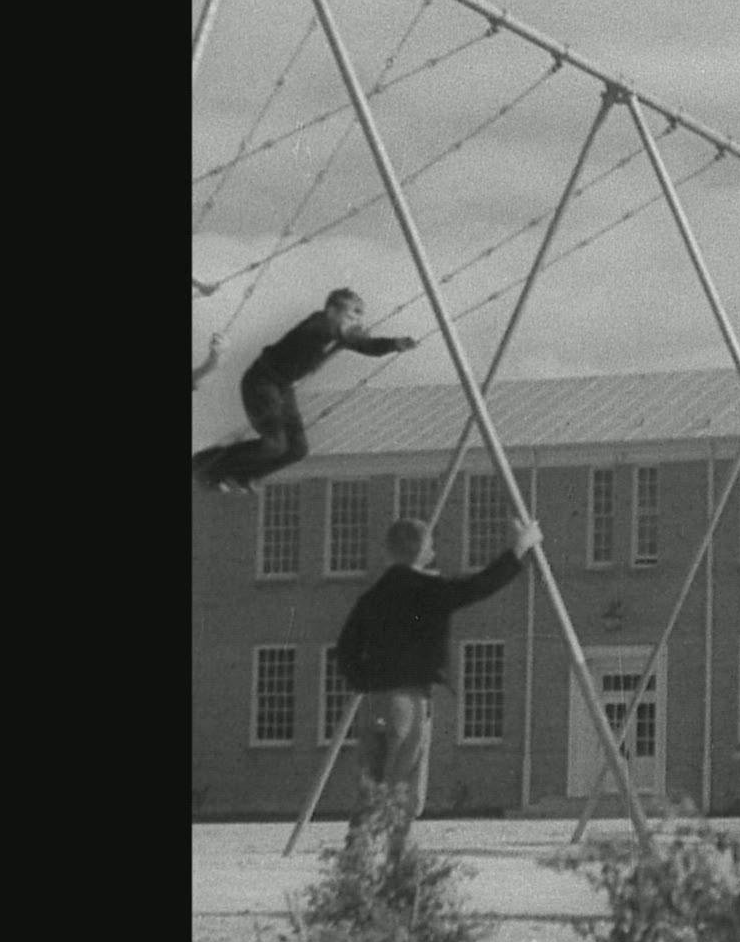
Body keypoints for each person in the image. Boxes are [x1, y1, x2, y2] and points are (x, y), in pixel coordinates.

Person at [333, 515, 543, 847]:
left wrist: (365, 681)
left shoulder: (372, 596)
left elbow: (345, 649)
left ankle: (356, 855)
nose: (434, 551)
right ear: (423, 551)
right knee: (403, 783)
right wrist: (519, 549)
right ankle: (396, 860)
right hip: (409, 699)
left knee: (370, 783)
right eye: (431, 546)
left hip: (373, 700)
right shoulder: (428, 590)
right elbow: (479, 586)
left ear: (389, 551)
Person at [193, 288, 417, 493]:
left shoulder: (341, 333)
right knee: (275, 444)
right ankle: (205, 466)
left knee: (298, 449)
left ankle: (245, 475)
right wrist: (352, 336)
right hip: (261, 382)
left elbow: (368, 346)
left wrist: (394, 344)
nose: (355, 322)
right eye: (350, 316)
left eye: (358, 318)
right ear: (331, 312)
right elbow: (325, 334)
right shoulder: (317, 325)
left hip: (283, 388)